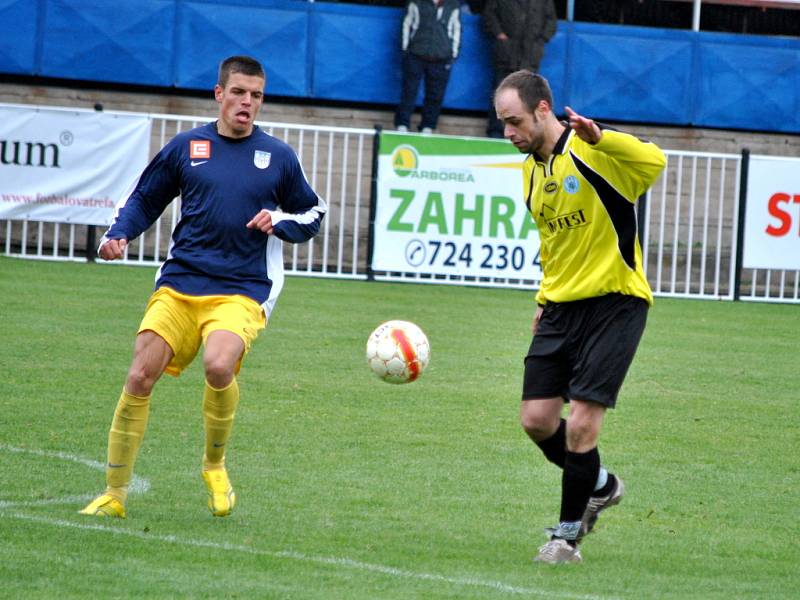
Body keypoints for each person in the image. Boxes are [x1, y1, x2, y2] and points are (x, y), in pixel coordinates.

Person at [79, 55, 327, 519]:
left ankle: (214, 466)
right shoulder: (187, 146)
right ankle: (114, 494)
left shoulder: (278, 156)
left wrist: (278, 221)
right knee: (138, 376)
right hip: (181, 282)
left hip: (242, 288)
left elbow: (313, 214)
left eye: (256, 95)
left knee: (218, 365)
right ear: (219, 94)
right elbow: (146, 198)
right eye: (238, 92)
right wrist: (119, 234)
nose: (247, 102)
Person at [493, 71, 666, 564]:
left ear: (543, 109)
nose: (509, 133)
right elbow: (554, 245)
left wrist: (602, 137)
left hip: (616, 302)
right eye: (503, 123)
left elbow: (655, 160)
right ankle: (603, 484)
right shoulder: (530, 170)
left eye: (515, 122)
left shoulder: (596, 153)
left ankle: (565, 537)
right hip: (559, 307)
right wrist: (543, 300)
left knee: (582, 427)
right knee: (537, 420)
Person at [483, 0, 557, 138]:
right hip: (506, 52)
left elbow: (551, 21)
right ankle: (496, 130)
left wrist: (540, 41)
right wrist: (500, 35)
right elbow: (489, 15)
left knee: (527, 96)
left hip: (529, 55)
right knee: (500, 92)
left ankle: (524, 132)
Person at [394, 0, 462, 134]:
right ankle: (402, 124)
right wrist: (405, 49)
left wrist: (453, 54)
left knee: (435, 95)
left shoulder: (452, 5)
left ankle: (428, 126)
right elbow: (406, 24)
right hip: (416, 55)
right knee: (409, 91)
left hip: (441, 58)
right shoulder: (416, 2)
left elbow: (457, 29)